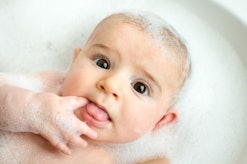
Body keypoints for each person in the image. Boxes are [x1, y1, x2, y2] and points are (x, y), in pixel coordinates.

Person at [0, 11, 190, 163]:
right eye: (102, 63)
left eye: (140, 87)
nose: (110, 84)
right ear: (75, 61)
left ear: (161, 122)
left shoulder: (142, 158)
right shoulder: (47, 87)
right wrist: (30, 108)